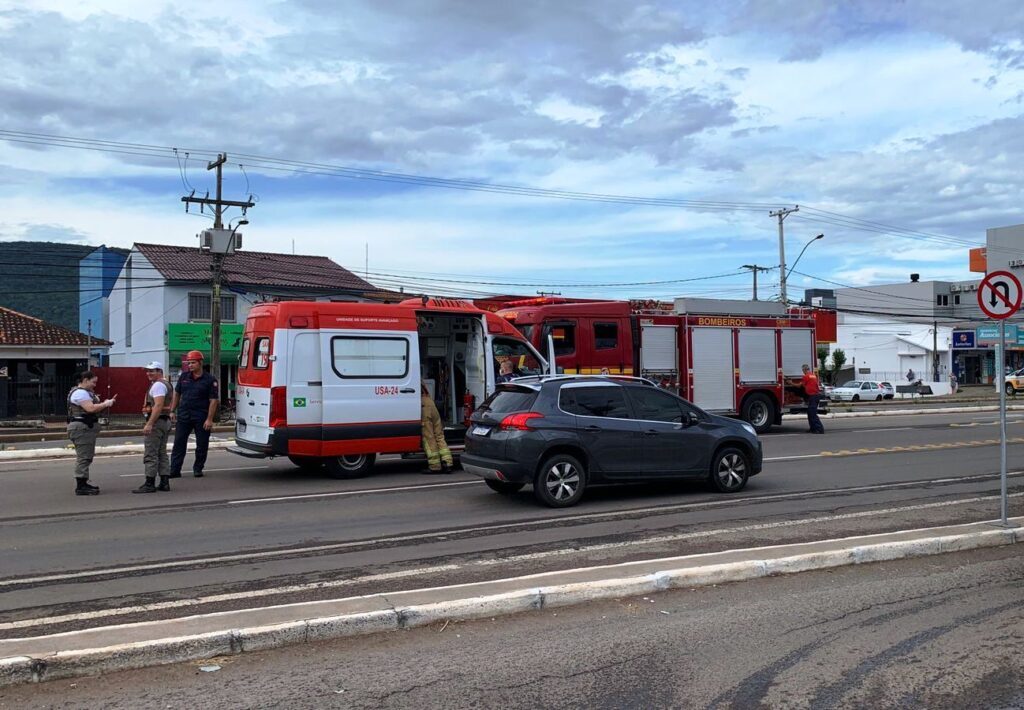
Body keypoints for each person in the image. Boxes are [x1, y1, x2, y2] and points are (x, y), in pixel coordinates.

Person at [169, 350, 219, 479]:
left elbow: (213, 400)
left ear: (200, 363)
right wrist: (172, 410)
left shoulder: (210, 380)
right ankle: (174, 470)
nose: (190, 365)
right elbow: (177, 394)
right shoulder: (184, 377)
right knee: (179, 443)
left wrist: (209, 419)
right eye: (189, 363)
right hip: (184, 415)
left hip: (201, 416)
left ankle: (198, 468)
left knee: (202, 444)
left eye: (193, 363)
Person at [66, 370, 116, 495]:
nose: (95, 385)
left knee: (86, 456)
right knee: (84, 457)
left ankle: (83, 482)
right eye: (93, 382)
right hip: (81, 428)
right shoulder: (80, 393)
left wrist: (104, 404)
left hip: (84, 428)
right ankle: (81, 486)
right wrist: (105, 404)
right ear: (85, 380)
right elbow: (90, 408)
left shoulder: (83, 392)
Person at [134, 362, 173, 494]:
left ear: (159, 371)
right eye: (147, 371)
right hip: (164, 421)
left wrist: (150, 423)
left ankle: (149, 483)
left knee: (151, 453)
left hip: (157, 422)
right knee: (162, 453)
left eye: (152, 371)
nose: (148, 373)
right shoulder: (166, 384)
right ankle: (164, 482)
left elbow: (158, 405)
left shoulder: (158, 385)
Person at [420, 384, 453, 474]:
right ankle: (448, 463)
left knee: (429, 438)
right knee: (439, 436)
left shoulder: (417, 381)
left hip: (424, 407)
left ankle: (435, 466)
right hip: (431, 404)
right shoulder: (421, 382)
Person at [801, 363, 825, 434]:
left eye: (803, 370)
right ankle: (813, 428)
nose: (803, 372)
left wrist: (791, 383)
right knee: (810, 413)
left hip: (813, 397)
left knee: (812, 413)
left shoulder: (806, 376)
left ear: (804, 370)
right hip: (816, 396)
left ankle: (820, 429)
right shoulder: (813, 375)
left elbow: (801, 385)